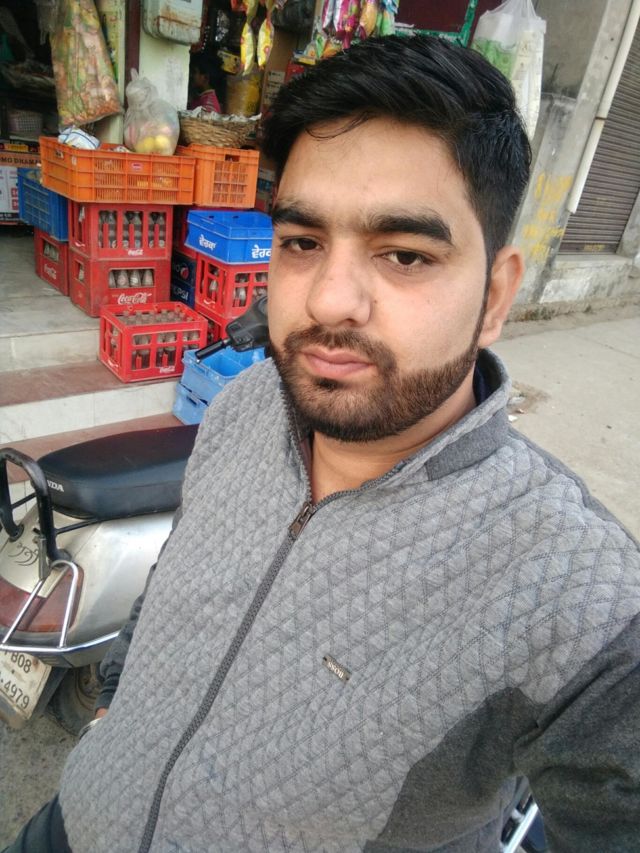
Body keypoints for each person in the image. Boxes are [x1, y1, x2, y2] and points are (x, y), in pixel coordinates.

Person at [6, 34, 640, 853]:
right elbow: (174, 582)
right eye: (303, 243)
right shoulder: (245, 406)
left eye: (405, 254)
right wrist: (117, 706)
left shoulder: (580, 596)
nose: (331, 300)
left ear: (495, 295)